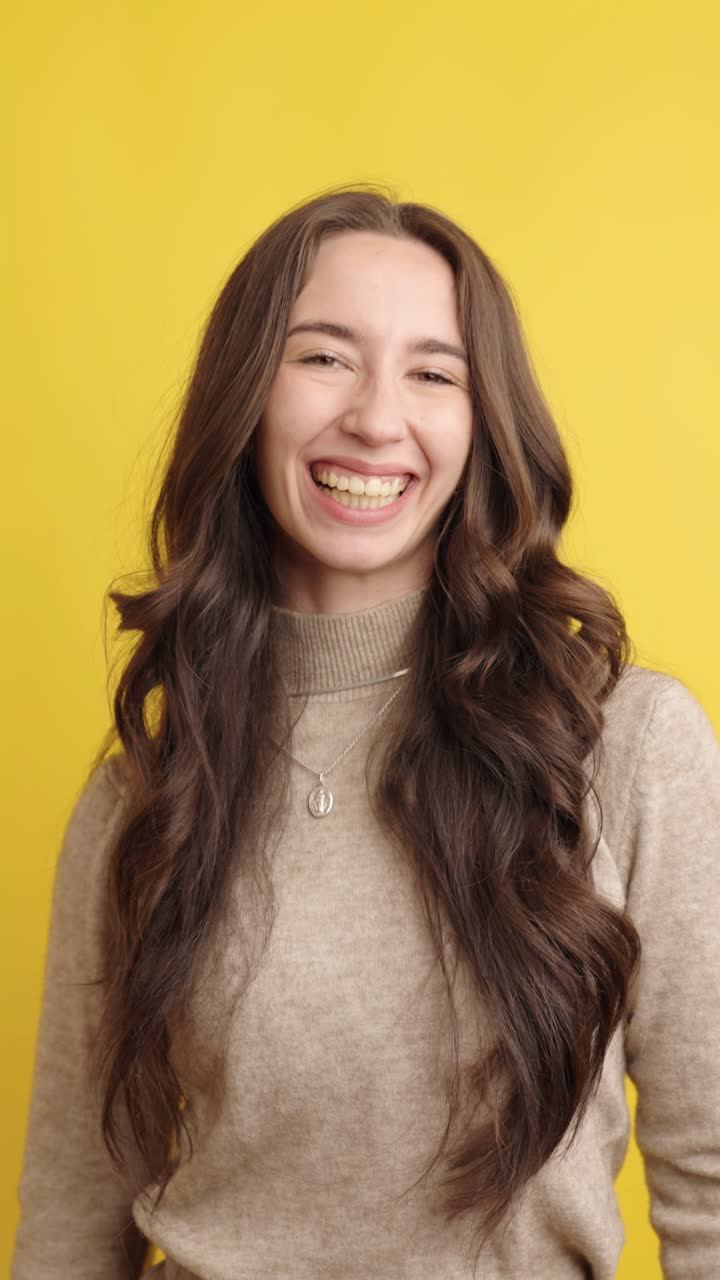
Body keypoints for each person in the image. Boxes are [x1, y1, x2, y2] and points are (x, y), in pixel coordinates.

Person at [11, 184, 720, 1280]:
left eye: (434, 372)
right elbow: (71, 1212)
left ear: (483, 424)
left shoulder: (623, 745)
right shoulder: (146, 794)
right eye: (324, 357)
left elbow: (712, 1176)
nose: (377, 418)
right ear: (245, 397)